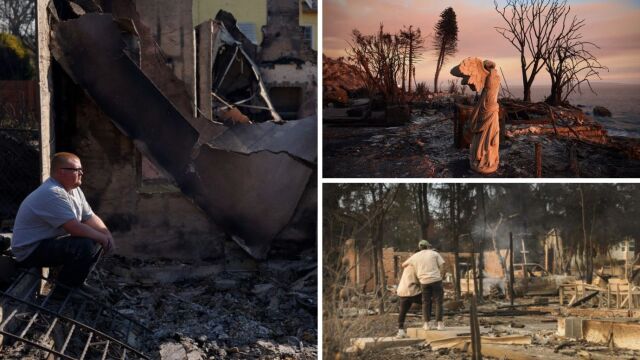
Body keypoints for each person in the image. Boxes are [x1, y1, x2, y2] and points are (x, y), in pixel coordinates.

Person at [11, 152, 114, 294]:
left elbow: (89, 216)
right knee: (84, 245)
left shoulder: (74, 190)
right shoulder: (52, 192)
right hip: (29, 251)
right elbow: (75, 228)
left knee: (94, 238)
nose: (82, 173)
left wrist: (106, 234)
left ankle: (77, 283)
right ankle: (62, 293)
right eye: (77, 170)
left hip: (46, 243)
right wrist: (102, 238)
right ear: (61, 172)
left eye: (81, 170)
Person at [402, 240, 445, 331]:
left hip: (424, 282)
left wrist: (415, 266)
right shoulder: (434, 253)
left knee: (426, 302)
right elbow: (442, 265)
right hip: (436, 280)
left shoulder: (415, 256)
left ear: (419, 247)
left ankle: (426, 324)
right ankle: (440, 324)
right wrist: (441, 276)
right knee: (438, 302)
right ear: (428, 246)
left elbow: (403, 264)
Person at [395, 253, 422, 338]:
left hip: (402, 291)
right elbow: (420, 279)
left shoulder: (407, 266)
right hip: (412, 291)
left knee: (403, 311)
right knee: (427, 302)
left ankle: (400, 331)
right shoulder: (416, 266)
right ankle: (428, 323)